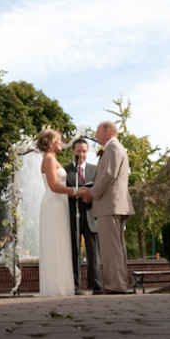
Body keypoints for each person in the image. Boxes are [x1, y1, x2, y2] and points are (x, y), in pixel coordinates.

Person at [77, 121, 135, 294]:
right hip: (114, 204)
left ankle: (115, 285)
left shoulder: (112, 148)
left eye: (98, 132)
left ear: (108, 131)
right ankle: (119, 283)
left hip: (110, 204)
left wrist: (91, 193)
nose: (96, 135)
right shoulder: (115, 148)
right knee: (116, 247)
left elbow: (108, 175)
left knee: (111, 248)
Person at [36, 129, 76, 297]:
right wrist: (76, 191)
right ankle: (55, 288)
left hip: (59, 204)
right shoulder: (49, 159)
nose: (61, 143)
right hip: (53, 203)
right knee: (55, 243)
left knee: (61, 243)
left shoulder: (52, 158)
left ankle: (63, 286)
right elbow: (53, 185)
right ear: (51, 142)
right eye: (58, 140)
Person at [64, 137, 100, 293]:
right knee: (74, 251)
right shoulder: (65, 171)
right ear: (73, 152)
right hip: (73, 215)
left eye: (84, 151)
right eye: (78, 151)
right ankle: (75, 285)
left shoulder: (95, 169)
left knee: (94, 252)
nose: (81, 154)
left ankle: (96, 285)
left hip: (91, 215)